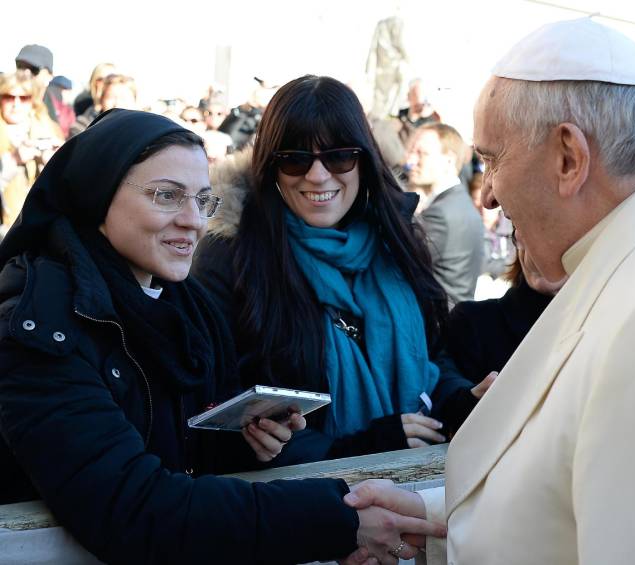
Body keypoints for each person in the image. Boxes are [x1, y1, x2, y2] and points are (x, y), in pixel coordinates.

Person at [343, 18, 635, 565]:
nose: (490, 196)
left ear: (569, 158)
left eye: (493, 159)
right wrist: (431, 514)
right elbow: (585, 478)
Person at [0, 109, 445, 564]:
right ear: (97, 197)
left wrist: (246, 437)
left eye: (203, 200)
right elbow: (134, 509)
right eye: (167, 196)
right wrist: (339, 520)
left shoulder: (186, 305)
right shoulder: (35, 329)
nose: (193, 220)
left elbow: (188, 455)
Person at [193, 75, 493, 466]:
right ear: (271, 166)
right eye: (295, 159)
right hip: (301, 509)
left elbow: (432, 356)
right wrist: (363, 447)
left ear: (363, 160)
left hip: (417, 488)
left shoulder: (396, 240)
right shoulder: (230, 258)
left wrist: (459, 401)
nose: (317, 176)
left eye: (338, 157)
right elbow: (216, 416)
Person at [446, 237, 563, 384]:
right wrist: (469, 397)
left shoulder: (592, 328)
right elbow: (442, 389)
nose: (543, 251)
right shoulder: (470, 321)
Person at [406, 123, 484, 305]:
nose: (411, 161)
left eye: (422, 154)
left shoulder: (441, 213)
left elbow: (400, 263)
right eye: (412, 152)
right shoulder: (460, 203)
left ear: (448, 160)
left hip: (437, 324)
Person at [0, 69, 64, 230]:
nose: (16, 104)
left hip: (41, 229)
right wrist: (12, 161)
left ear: (33, 101)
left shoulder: (50, 130)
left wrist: (54, 163)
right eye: (8, 97)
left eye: (23, 98)